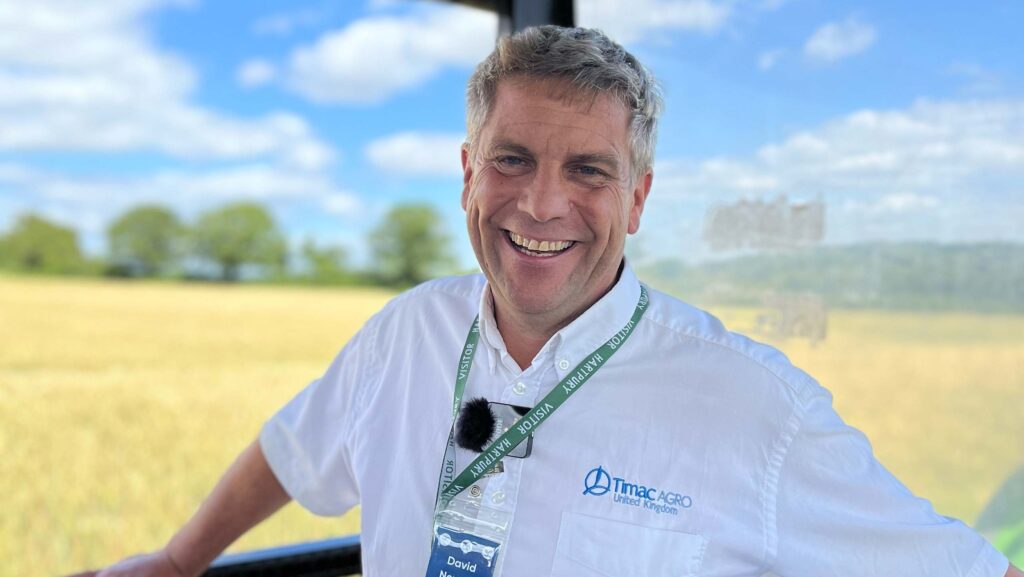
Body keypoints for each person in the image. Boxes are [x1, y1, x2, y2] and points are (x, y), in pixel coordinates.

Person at [81, 26, 1020, 577]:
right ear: (466, 175)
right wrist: (179, 559)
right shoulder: (410, 331)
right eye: (513, 160)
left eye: (589, 171)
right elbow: (293, 446)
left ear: (638, 199)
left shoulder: (754, 407)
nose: (540, 204)